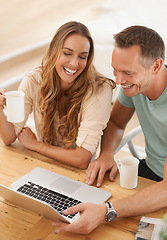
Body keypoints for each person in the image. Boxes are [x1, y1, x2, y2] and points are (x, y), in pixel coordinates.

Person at [52, 25, 167, 234]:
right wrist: (106, 154)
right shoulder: (134, 85)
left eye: (127, 73)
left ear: (156, 66)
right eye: (115, 69)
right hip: (150, 172)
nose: (119, 80)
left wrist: (107, 211)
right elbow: (115, 123)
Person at [0, 21, 115, 169]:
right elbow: (9, 137)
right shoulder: (34, 80)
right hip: (43, 165)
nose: (74, 63)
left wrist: (36, 145)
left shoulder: (99, 89)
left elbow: (81, 159)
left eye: (82, 57)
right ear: (54, 50)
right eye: (67, 53)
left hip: (78, 174)